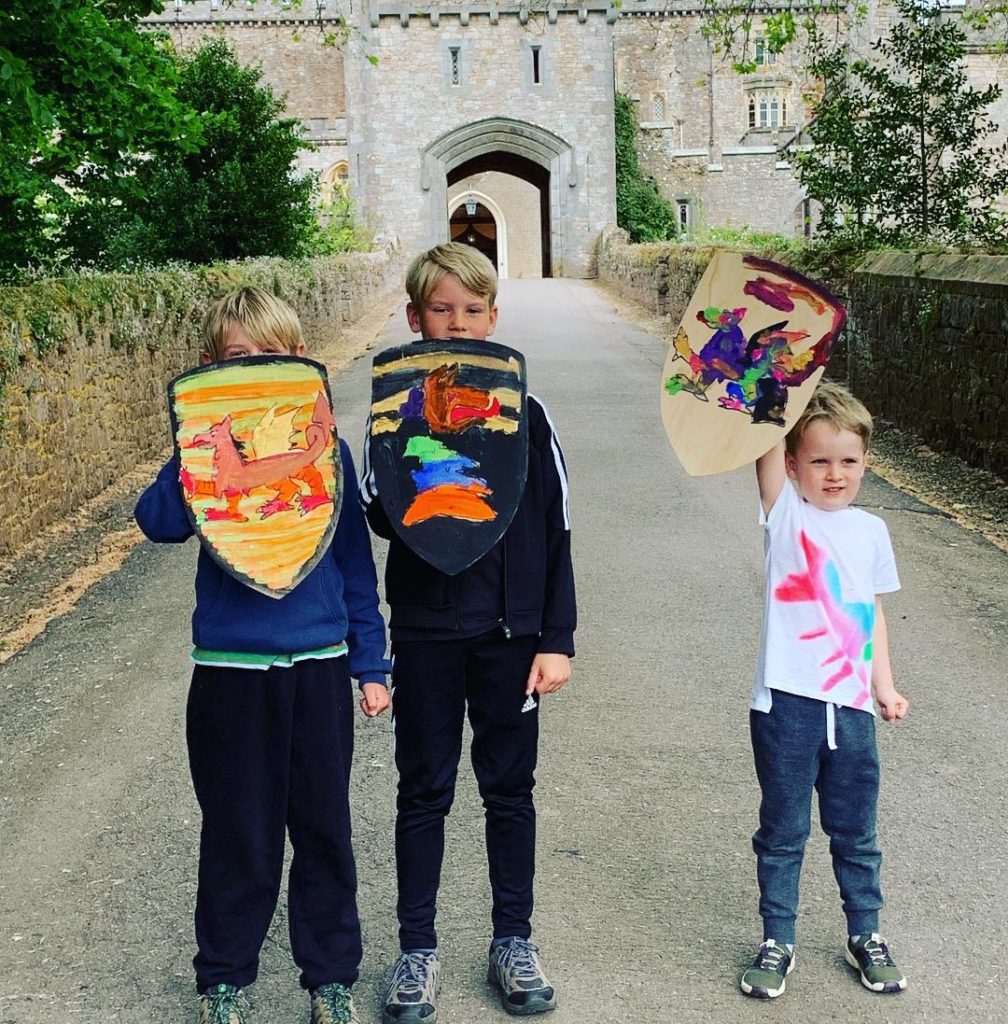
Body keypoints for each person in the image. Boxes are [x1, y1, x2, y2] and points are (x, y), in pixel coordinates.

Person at [134, 286, 391, 1024]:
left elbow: (351, 566)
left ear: (297, 360)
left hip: (316, 664)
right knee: (238, 830)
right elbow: (159, 524)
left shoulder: (324, 452)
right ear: (213, 365)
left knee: (322, 827)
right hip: (231, 670)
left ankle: (330, 977)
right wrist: (192, 448)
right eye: (239, 357)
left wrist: (370, 666)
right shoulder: (203, 454)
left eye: (273, 354)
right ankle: (223, 977)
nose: (257, 366)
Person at [358, 243, 576, 1022]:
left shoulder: (529, 413)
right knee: (423, 791)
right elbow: (384, 519)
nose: (458, 321)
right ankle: (417, 950)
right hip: (424, 630)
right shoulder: (392, 408)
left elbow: (556, 527)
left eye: (473, 310)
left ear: (493, 318)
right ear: (416, 320)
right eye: (441, 310)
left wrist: (558, 636)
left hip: (512, 634)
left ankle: (512, 939)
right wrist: (404, 452)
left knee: (509, 792)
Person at [741, 379, 909, 1000]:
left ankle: (865, 933)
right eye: (818, 460)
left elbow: (871, 615)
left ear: (866, 462)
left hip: (853, 708)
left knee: (856, 831)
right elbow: (763, 437)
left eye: (848, 460)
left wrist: (884, 687)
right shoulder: (785, 513)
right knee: (783, 830)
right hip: (786, 704)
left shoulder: (872, 531)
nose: (834, 474)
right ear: (792, 464)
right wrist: (775, 380)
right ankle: (776, 938)